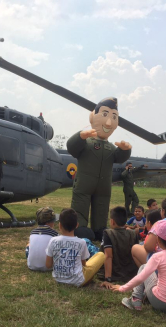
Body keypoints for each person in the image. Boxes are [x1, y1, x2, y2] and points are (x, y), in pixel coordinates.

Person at [67, 97, 132, 240]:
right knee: (80, 205)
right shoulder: (86, 143)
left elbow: (119, 158)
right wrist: (80, 136)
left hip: (103, 187)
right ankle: (80, 226)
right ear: (93, 116)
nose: (109, 122)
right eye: (104, 114)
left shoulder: (111, 147)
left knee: (102, 207)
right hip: (84, 184)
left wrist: (125, 150)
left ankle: (99, 228)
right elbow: (72, 148)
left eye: (113, 117)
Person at [109, 220, 166, 314]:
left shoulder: (158, 256)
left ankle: (135, 299)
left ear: (158, 240)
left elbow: (141, 277)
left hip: (159, 302)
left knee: (143, 267)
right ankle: (142, 295)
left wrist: (122, 288)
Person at [45, 208, 105, 286]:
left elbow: (48, 265)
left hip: (58, 279)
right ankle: (88, 279)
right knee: (101, 255)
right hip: (78, 281)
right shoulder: (81, 242)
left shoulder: (53, 240)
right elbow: (83, 265)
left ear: (60, 225)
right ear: (77, 225)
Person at [100, 206, 139, 285]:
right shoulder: (133, 233)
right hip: (130, 273)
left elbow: (108, 256)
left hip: (114, 272)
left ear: (112, 221)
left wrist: (108, 279)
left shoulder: (108, 233)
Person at [26, 207, 58, 272]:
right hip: (48, 267)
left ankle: (33, 261)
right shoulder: (54, 234)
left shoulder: (33, 232)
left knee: (28, 245)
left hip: (31, 266)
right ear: (50, 222)